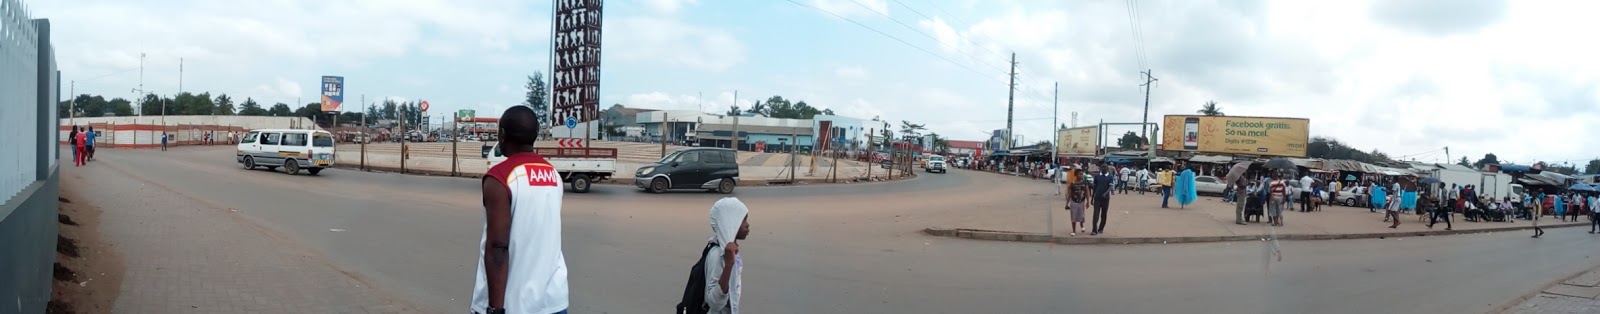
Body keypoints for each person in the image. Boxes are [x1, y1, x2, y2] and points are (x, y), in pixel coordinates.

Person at [471, 106, 569, 314]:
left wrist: (495, 309)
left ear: (503, 135)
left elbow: (498, 247)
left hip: (514, 303)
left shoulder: (500, 177)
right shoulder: (553, 175)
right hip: (554, 300)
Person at [701, 197, 751, 314]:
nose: (747, 225)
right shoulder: (717, 254)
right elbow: (714, 302)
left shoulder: (730, 250)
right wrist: (728, 264)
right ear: (729, 223)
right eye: (742, 220)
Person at [1089, 162, 1116, 235]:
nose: (1103, 169)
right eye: (1102, 167)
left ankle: (1101, 228)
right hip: (1097, 198)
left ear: (1107, 169)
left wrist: (1106, 193)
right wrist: (1092, 198)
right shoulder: (1097, 176)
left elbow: (1110, 187)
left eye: (1105, 167)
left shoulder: (1110, 177)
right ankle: (1094, 230)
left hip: (1106, 199)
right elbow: (1094, 187)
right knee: (1095, 214)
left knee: (1104, 214)